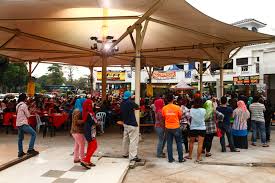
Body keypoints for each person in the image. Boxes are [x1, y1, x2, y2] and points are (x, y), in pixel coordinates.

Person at [162, 94, 184, 163]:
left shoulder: (164, 108)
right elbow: (180, 116)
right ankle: (180, 159)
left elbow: (164, 117)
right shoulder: (177, 107)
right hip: (176, 127)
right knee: (179, 143)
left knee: (169, 143)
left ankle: (170, 159)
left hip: (168, 127)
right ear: (173, 99)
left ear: (166, 100)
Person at [16, 93, 39, 158]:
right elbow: (28, 115)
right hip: (23, 123)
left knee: (20, 138)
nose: (27, 99)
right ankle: (30, 149)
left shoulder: (17, 105)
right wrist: (31, 110)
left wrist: (29, 108)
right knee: (34, 134)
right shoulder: (24, 105)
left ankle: (20, 152)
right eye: (26, 98)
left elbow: (21, 113)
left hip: (18, 123)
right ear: (24, 98)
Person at [120, 91, 141, 162]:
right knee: (133, 141)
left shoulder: (122, 103)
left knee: (125, 139)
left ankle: (124, 153)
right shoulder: (130, 102)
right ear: (130, 96)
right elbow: (137, 107)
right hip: (132, 124)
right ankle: (133, 156)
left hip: (125, 123)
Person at [185, 97, 206, 162]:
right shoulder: (203, 110)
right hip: (202, 127)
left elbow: (188, 117)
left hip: (193, 127)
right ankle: (198, 157)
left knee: (191, 142)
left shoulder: (191, 110)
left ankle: (190, 156)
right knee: (200, 143)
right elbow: (204, 117)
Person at [81, 99, 98, 169]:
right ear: (89, 105)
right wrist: (97, 121)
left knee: (90, 146)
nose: (93, 104)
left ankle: (88, 160)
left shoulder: (85, 112)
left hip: (88, 130)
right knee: (94, 146)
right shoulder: (89, 113)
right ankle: (85, 160)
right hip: (90, 131)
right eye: (92, 103)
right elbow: (94, 122)